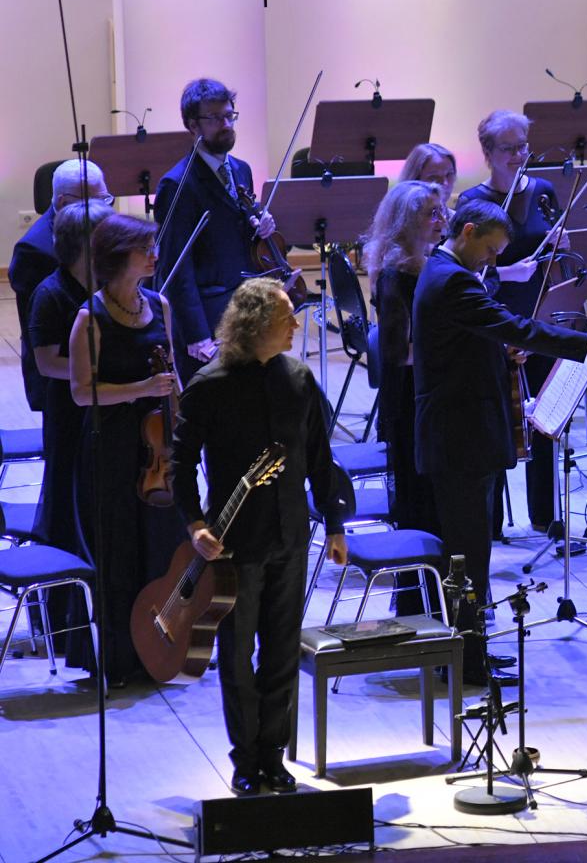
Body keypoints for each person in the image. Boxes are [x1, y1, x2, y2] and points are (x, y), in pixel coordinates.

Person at [413, 198, 587, 684]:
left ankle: (471, 652)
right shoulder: (451, 279)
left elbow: (474, 340)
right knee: (467, 558)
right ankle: (466, 663)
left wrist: (499, 352)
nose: (493, 260)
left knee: (472, 554)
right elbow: (516, 326)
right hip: (459, 439)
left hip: (461, 435)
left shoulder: (445, 271)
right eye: (491, 249)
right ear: (468, 232)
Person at [173, 278, 350, 796]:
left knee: (281, 652)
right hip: (234, 545)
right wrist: (195, 524)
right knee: (236, 657)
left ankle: (274, 755)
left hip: (289, 537)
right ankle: (245, 759)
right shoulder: (210, 385)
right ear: (255, 324)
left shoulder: (298, 379)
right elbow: (180, 464)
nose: (296, 324)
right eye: (286, 316)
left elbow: (319, 457)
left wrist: (334, 524)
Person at [66, 214, 190, 686]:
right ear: (119, 257)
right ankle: (121, 659)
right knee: (118, 550)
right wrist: (140, 388)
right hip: (112, 449)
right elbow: (82, 391)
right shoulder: (89, 318)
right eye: (146, 249)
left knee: (162, 547)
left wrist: (183, 421)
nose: (155, 256)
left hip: (158, 447)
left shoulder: (160, 304)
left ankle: (164, 652)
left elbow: (172, 375)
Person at [456, 110, 569, 536]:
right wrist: (506, 273)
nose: (520, 155)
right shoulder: (473, 203)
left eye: (524, 146)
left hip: (540, 316)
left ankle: (544, 515)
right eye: (509, 148)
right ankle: (491, 522)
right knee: (495, 421)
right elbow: (464, 271)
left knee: (545, 418)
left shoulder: (543, 191)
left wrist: (560, 246)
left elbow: (557, 256)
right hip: (494, 320)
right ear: (488, 153)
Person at [27, 199, 112, 652]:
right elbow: (46, 363)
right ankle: (63, 622)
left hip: (102, 411)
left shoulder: (106, 289)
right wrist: (99, 372)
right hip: (67, 416)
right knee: (67, 508)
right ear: (86, 245)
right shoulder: (51, 294)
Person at [155, 78, 279, 379]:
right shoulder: (177, 184)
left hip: (244, 304)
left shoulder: (241, 169)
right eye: (214, 118)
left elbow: (237, 232)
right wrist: (195, 332)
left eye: (229, 115)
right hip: (207, 314)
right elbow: (175, 266)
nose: (226, 125)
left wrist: (261, 224)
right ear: (192, 125)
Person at [363, 180, 448, 615]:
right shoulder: (396, 275)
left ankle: (443, 604)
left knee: (439, 506)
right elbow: (400, 353)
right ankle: (419, 610)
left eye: (441, 210)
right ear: (406, 221)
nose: (441, 219)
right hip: (411, 405)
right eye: (431, 213)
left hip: (428, 399)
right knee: (421, 507)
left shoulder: (431, 264)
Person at [11, 159, 113, 414]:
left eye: (106, 199)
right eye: (96, 201)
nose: (104, 208)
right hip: (62, 375)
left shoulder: (97, 229)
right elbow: (43, 331)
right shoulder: (34, 251)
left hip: (99, 362)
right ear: (64, 202)